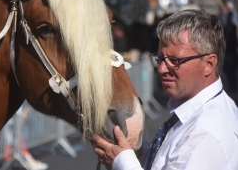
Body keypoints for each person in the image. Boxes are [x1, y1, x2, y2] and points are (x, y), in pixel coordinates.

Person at [93, 9, 238, 170]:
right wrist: (137, 152)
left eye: (175, 60)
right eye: (160, 59)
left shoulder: (204, 135)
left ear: (209, 64)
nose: (161, 69)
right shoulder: (212, 109)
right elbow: (172, 158)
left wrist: (121, 162)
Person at [221, 1, 238, 95]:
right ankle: (232, 86)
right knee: (229, 71)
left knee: (231, 71)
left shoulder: (231, 28)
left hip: (231, 54)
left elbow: (232, 42)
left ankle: (233, 87)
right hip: (230, 54)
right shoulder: (228, 27)